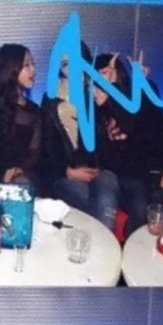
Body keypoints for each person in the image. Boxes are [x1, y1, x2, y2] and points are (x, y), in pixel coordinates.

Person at [91, 53, 163, 237]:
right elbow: (111, 161)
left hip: (157, 170)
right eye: (97, 77)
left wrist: (143, 84)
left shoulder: (139, 103)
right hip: (133, 176)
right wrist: (158, 179)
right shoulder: (97, 112)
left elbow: (147, 134)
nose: (101, 81)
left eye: (106, 73)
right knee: (142, 207)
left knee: (162, 204)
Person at [41, 41, 102, 204]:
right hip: (65, 169)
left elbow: (108, 136)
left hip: (98, 167)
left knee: (105, 197)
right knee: (83, 195)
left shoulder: (97, 92)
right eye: (65, 64)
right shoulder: (51, 96)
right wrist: (66, 171)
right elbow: (47, 145)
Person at [0, 43, 41, 189]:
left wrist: (19, 169)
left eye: (33, 64)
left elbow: (34, 153)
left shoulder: (34, 111)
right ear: (10, 68)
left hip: (22, 174)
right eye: (26, 65)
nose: (33, 70)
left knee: (23, 183)